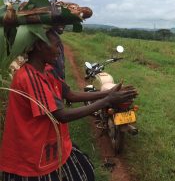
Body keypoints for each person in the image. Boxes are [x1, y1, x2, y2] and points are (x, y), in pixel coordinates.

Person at [0, 28, 138, 181]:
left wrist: (108, 93)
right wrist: (108, 100)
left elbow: (70, 95)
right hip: (31, 157)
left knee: (85, 171)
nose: (59, 51)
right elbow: (61, 115)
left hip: (50, 147)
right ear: (40, 45)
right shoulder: (29, 77)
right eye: (56, 45)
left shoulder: (48, 71)